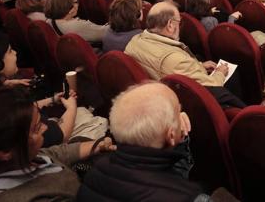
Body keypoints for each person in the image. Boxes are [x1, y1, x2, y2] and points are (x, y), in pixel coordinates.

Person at [0, 87, 114, 201]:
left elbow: (52, 154)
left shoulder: (6, 160)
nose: (45, 128)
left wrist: (98, 145)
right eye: (36, 128)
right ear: (4, 152)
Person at [78, 82, 211, 201]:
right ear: (171, 135)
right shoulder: (192, 197)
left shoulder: (94, 173)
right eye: (178, 111)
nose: (181, 115)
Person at [124, 1, 230, 88]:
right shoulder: (175, 60)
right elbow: (213, 85)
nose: (180, 26)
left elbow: (169, 69)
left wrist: (200, 66)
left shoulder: (134, 41)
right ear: (170, 25)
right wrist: (220, 73)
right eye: (179, 22)